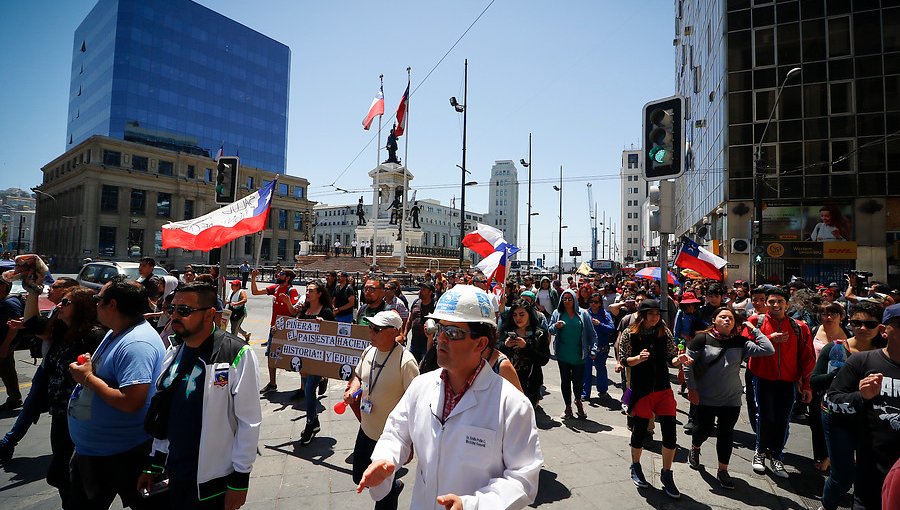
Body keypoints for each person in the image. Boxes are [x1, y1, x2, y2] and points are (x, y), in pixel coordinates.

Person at [356, 285, 542, 509]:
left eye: (452, 332)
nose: (440, 339)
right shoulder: (421, 386)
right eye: (439, 328)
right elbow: (396, 431)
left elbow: (523, 479)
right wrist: (386, 459)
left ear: (481, 343)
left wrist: (471, 505)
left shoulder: (512, 405)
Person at [138, 282, 261, 509]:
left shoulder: (237, 353)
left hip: (212, 484)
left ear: (209, 315)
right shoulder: (173, 351)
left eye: (184, 311)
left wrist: (240, 481)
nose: (175, 315)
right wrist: (154, 463)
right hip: (174, 475)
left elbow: (249, 422)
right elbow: (163, 411)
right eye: (172, 309)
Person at [66, 279, 166, 509]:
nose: (95, 304)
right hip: (97, 452)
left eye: (97, 300)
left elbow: (132, 401)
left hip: (122, 456)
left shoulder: (136, 343)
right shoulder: (118, 332)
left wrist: (88, 379)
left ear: (112, 304)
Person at [684, 307, 774, 490]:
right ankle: (695, 448)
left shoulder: (741, 342)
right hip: (705, 396)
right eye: (723, 317)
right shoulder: (701, 338)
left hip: (731, 398)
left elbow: (768, 348)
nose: (727, 320)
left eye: (731, 318)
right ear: (714, 320)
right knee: (704, 429)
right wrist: (691, 389)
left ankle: (723, 470)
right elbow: (687, 365)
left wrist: (752, 327)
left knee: (726, 434)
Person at [824, 303, 900, 510]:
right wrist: (861, 397)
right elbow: (831, 402)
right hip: (872, 474)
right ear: (885, 331)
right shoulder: (862, 362)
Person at [344, 310, 419, 510]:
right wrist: (353, 388)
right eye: (370, 328)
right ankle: (394, 485)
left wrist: (410, 442)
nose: (371, 333)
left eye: (376, 329)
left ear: (393, 332)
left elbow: (416, 404)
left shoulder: (406, 362)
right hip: (367, 427)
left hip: (389, 437)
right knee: (359, 475)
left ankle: (390, 490)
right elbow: (358, 375)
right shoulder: (369, 351)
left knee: (383, 496)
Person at [618, 299, 692, 498]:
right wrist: (638, 359)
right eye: (650, 314)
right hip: (641, 390)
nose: (654, 317)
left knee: (670, 434)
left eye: (657, 314)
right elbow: (623, 359)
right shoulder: (630, 333)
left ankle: (667, 473)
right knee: (640, 431)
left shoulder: (664, 332)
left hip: (663, 390)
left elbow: (671, 358)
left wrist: (680, 360)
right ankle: (635, 465)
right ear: (642, 315)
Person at [0, 277, 79, 461]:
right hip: (48, 367)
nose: (50, 289)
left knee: (36, 407)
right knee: (31, 407)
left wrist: (29, 322)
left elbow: (42, 330)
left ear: (69, 290)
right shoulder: (57, 309)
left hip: (58, 371)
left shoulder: (69, 313)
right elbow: (38, 325)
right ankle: (9, 442)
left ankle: (8, 442)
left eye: (56, 287)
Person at [814, 301, 884, 510]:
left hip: (873, 420)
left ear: (881, 327)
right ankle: (827, 505)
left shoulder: (886, 354)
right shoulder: (835, 348)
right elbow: (815, 381)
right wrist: (838, 374)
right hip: (838, 418)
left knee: (870, 473)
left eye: (870, 324)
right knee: (843, 475)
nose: (862, 328)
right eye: (856, 323)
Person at [43, 287, 106, 507]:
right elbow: (33, 325)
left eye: (66, 302)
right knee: (62, 474)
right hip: (59, 413)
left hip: (79, 417)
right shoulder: (62, 333)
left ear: (82, 307)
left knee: (70, 475)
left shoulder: (93, 337)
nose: (59, 306)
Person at [747, 287, 815, 479]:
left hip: (788, 381)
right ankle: (760, 452)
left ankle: (777, 455)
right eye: (771, 302)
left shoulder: (799, 327)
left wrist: (807, 384)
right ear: (765, 303)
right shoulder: (755, 322)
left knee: (783, 420)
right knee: (765, 416)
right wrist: (768, 339)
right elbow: (744, 346)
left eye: (780, 302)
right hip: (762, 378)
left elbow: (807, 357)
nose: (776, 305)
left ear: (787, 304)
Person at [287, 279, 335, 444]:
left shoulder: (326, 312)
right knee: (309, 390)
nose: (307, 293)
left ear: (319, 294)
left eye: (311, 291)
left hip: (318, 359)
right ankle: (314, 421)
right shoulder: (304, 311)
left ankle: (309, 423)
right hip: (304, 357)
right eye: (307, 290)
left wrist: (324, 325)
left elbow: (334, 335)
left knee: (308, 390)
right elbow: (296, 330)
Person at [808, 302, 848, 474]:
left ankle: (832, 458)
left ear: (841, 316)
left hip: (842, 387)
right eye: (824, 314)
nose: (828, 317)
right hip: (817, 383)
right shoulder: (813, 330)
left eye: (833, 314)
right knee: (816, 422)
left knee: (838, 425)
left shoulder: (851, 334)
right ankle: (820, 455)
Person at [548, 289, 597, 420]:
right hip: (563, 354)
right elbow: (550, 329)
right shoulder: (557, 313)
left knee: (578, 382)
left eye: (570, 298)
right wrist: (556, 327)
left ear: (575, 299)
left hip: (579, 355)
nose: (567, 301)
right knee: (565, 381)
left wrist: (593, 350)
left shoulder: (583, 314)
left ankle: (578, 401)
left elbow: (592, 335)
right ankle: (567, 406)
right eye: (565, 299)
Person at [251, 268, 299, 395]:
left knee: (294, 357)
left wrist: (288, 302)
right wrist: (253, 278)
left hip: (287, 330)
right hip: (274, 328)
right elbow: (255, 292)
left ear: (288, 278)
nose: (278, 275)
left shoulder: (291, 291)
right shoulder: (276, 288)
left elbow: (294, 311)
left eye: (282, 274)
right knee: (271, 356)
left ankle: (305, 385)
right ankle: (272, 384)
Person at [498, 299, 551, 406]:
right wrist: (505, 345)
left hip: (530, 383)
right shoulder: (506, 332)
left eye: (522, 314)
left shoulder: (539, 334)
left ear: (529, 314)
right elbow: (495, 352)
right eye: (515, 315)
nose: (518, 318)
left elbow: (544, 359)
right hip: (507, 381)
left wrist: (526, 347)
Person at [582, 292, 616, 400]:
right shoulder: (585, 313)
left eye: (596, 302)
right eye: (591, 301)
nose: (593, 304)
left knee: (600, 368)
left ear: (600, 303)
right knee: (586, 370)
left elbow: (611, 328)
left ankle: (602, 390)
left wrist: (599, 324)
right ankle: (585, 393)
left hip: (602, 347)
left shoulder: (605, 314)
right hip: (587, 346)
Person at [0, 278, 25, 410]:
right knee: (7, 370)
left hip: (5, 343)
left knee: (7, 371)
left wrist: (5, 346)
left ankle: (15, 398)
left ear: (3, 287)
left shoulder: (10, 304)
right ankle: (15, 398)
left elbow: (14, 326)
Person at [405, 282, 436, 362]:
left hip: (427, 345)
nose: (420, 291)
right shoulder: (416, 302)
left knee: (425, 368)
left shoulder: (435, 306)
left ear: (430, 292)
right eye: (420, 289)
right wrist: (404, 334)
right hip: (414, 343)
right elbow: (410, 319)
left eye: (424, 289)